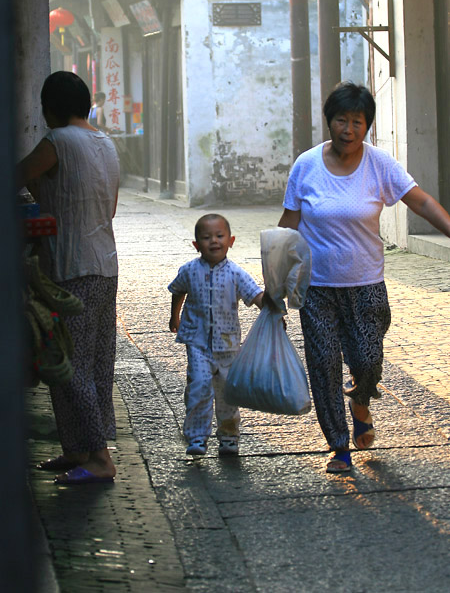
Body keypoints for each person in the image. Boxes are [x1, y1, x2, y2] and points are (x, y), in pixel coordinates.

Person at [278, 82, 450, 473]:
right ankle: (338, 446)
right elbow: (287, 226)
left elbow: (419, 200)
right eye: (341, 120)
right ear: (330, 121)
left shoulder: (379, 164)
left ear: (367, 125)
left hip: (366, 284)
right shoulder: (306, 166)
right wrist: (277, 281)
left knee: (368, 360)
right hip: (316, 287)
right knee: (323, 366)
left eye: (357, 121)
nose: (348, 129)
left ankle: (360, 398)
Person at [18, 71, 120, 484]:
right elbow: (107, 208)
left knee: (69, 366)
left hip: (71, 269)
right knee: (95, 364)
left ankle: (98, 458)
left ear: (49, 110)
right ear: (88, 104)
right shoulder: (106, 143)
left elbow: (17, 174)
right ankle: (77, 449)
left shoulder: (57, 141)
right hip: (106, 265)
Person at [168, 214, 263, 457]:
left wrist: (273, 310)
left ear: (230, 240)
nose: (214, 241)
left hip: (228, 346)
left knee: (227, 393)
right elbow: (177, 291)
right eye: (206, 237)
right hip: (197, 343)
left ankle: (229, 436)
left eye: (219, 236)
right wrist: (174, 316)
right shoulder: (189, 270)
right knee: (199, 386)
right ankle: (197, 437)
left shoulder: (236, 273)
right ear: (196, 244)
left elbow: (255, 296)